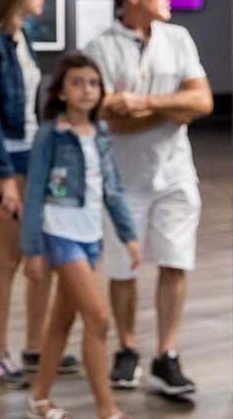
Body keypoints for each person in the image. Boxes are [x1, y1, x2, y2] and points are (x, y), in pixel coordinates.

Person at [85, 0, 213, 396]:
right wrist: (172, 112)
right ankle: (127, 348)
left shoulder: (178, 39)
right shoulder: (100, 48)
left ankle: (167, 354)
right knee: (124, 268)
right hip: (122, 182)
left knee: (177, 262)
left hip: (176, 176)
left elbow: (203, 101)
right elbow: (106, 119)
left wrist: (143, 103)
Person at [0, 0, 80, 387]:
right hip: (2, 163)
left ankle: (35, 347)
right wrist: (7, 178)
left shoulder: (21, 37)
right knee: (9, 256)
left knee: (41, 253)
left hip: (32, 156)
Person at [22, 53, 139, 419]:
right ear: (61, 92)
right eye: (77, 83)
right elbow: (35, 190)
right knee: (99, 317)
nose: (87, 90)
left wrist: (129, 234)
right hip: (59, 236)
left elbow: (113, 190)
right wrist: (32, 249)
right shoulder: (51, 135)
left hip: (91, 240)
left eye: (93, 83)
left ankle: (39, 398)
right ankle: (107, 409)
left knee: (61, 321)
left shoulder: (101, 134)